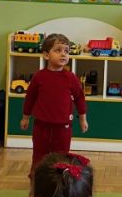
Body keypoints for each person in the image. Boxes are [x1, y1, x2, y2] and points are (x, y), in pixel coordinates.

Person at [20, 33, 87, 172]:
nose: (63, 54)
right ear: (46, 55)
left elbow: (80, 98)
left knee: (61, 158)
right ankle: (36, 182)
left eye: (66, 51)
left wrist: (82, 119)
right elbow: (30, 98)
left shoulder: (71, 78)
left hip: (63, 128)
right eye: (58, 50)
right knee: (39, 156)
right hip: (41, 126)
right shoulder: (39, 77)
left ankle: (60, 182)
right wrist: (25, 117)